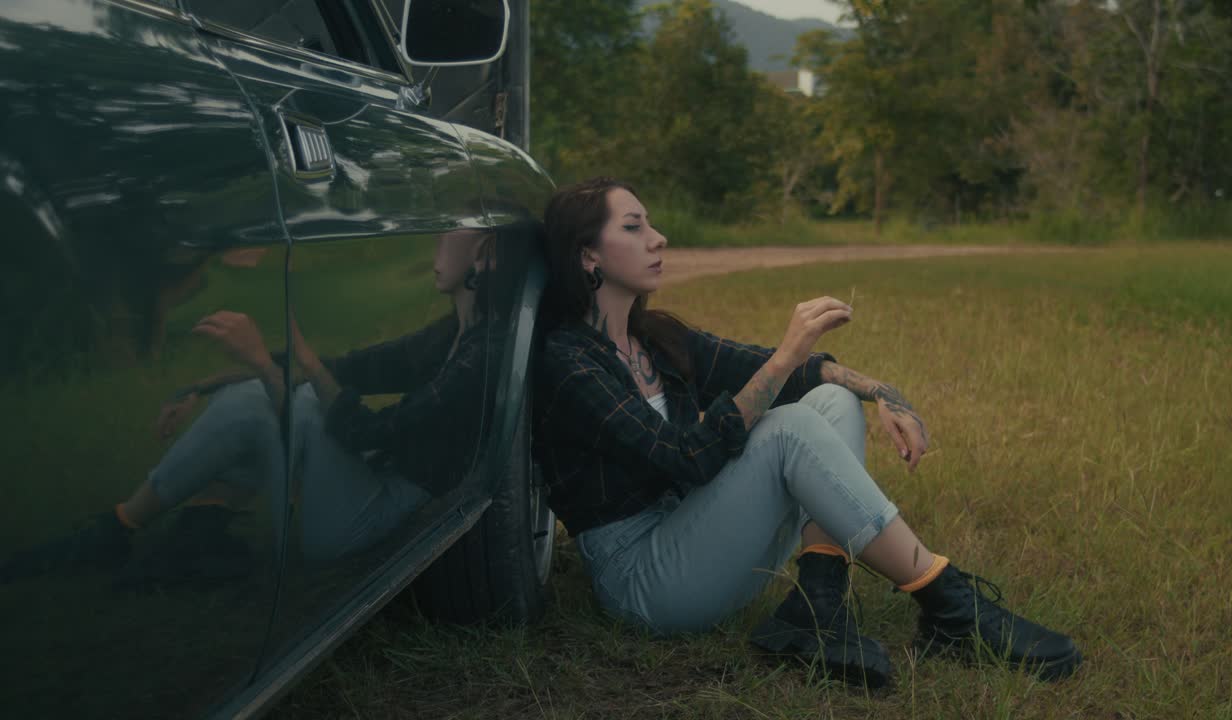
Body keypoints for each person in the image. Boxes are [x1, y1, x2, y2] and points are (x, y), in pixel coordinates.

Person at [531, 177, 1082, 690]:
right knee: (789, 426)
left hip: (695, 538)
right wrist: (785, 357)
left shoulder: (655, 336)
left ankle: (817, 607)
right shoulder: (568, 361)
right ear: (588, 255)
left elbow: (785, 369)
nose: (658, 238)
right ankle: (949, 604)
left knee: (830, 399)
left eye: (650, 224)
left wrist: (884, 394)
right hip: (642, 579)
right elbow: (683, 460)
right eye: (633, 227)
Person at [1, 229, 504, 587]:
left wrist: (270, 365)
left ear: (483, 253)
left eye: (451, 230)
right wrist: (207, 382)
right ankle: (125, 527)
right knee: (262, 395)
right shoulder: (449, 334)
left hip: (364, 520)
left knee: (299, 400)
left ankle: (166, 530)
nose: (438, 238)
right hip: (369, 485)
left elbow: (367, 432)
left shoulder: (479, 356)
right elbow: (351, 366)